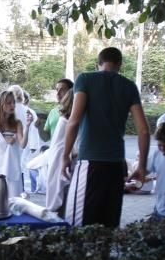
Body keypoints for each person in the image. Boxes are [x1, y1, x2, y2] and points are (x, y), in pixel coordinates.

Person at [62, 47, 150, 227]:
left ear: (98, 63)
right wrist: (142, 166)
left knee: (77, 222)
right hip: (117, 166)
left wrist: (65, 156)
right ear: (119, 65)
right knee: (109, 223)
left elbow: (73, 121)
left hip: (90, 163)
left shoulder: (85, 79)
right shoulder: (129, 86)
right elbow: (144, 131)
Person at [0, 90, 26, 199]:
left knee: (12, 201)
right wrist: (8, 140)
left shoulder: (17, 123)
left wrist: (29, 127)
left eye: (13, 102)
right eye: (8, 102)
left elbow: (22, 145)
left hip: (12, 166)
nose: (12, 105)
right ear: (1, 104)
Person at [44, 86, 75, 215]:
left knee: (60, 195)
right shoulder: (68, 121)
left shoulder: (65, 118)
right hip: (60, 161)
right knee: (61, 197)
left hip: (58, 159)